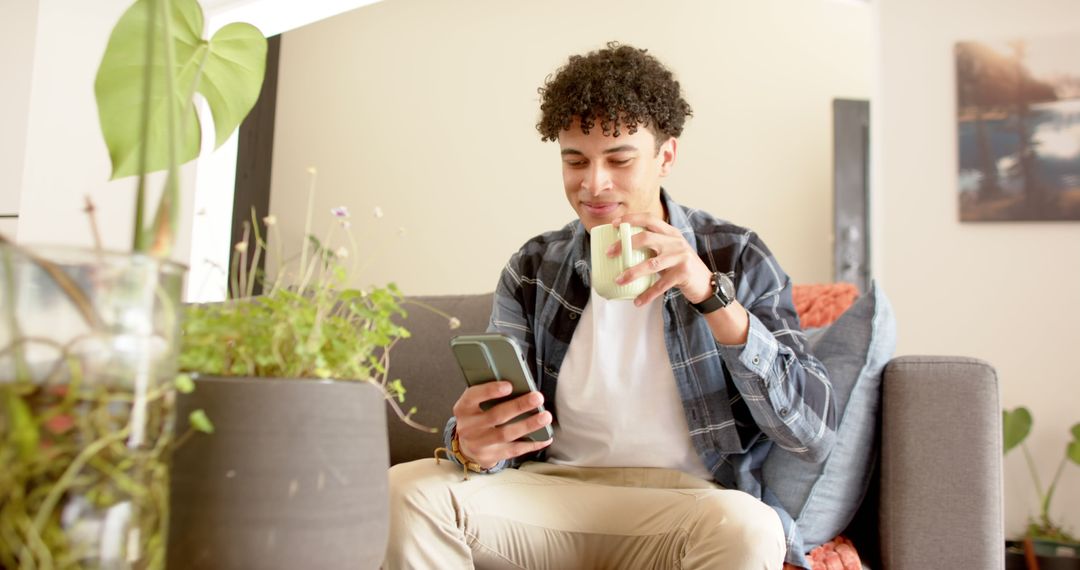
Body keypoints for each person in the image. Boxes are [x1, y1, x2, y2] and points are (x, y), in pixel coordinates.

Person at [385, 42, 837, 570]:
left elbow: (813, 434)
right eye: (575, 160)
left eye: (619, 159)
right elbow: (492, 428)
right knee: (406, 490)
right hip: (548, 493)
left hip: (686, 504)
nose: (592, 184)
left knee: (751, 529)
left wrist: (708, 293)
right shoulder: (533, 267)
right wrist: (471, 445)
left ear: (666, 156)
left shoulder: (735, 254)